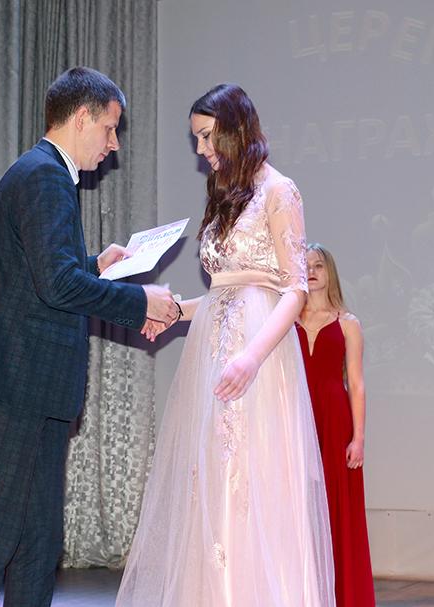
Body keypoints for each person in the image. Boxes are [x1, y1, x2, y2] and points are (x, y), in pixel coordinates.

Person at [0, 67, 178, 607]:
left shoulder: (43, 174)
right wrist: (140, 302)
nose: (113, 144)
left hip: (31, 383)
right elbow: (56, 286)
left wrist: (96, 264)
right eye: (110, 129)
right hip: (15, 381)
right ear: (81, 117)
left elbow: (43, 276)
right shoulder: (44, 177)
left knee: (38, 539)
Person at [116, 84, 335, 606]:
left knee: (250, 480)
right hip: (213, 353)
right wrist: (173, 312)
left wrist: (252, 356)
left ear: (235, 130)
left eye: (206, 136)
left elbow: (294, 289)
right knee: (211, 482)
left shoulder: (280, 191)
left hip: (257, 356)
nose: (200, 149)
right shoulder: (224, 192)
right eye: (196, 138)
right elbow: (224, 291)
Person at [295, 244, 375, 607]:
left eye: (318, 266)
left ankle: (343, 596)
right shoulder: (285, 321)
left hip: (334, 420)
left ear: (330, 273)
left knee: (337, 509)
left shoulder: (348, 323)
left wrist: (358, 438)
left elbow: (356, 384)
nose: (312, 271)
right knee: (296, 505)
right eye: (305, 266)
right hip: (296, 416)